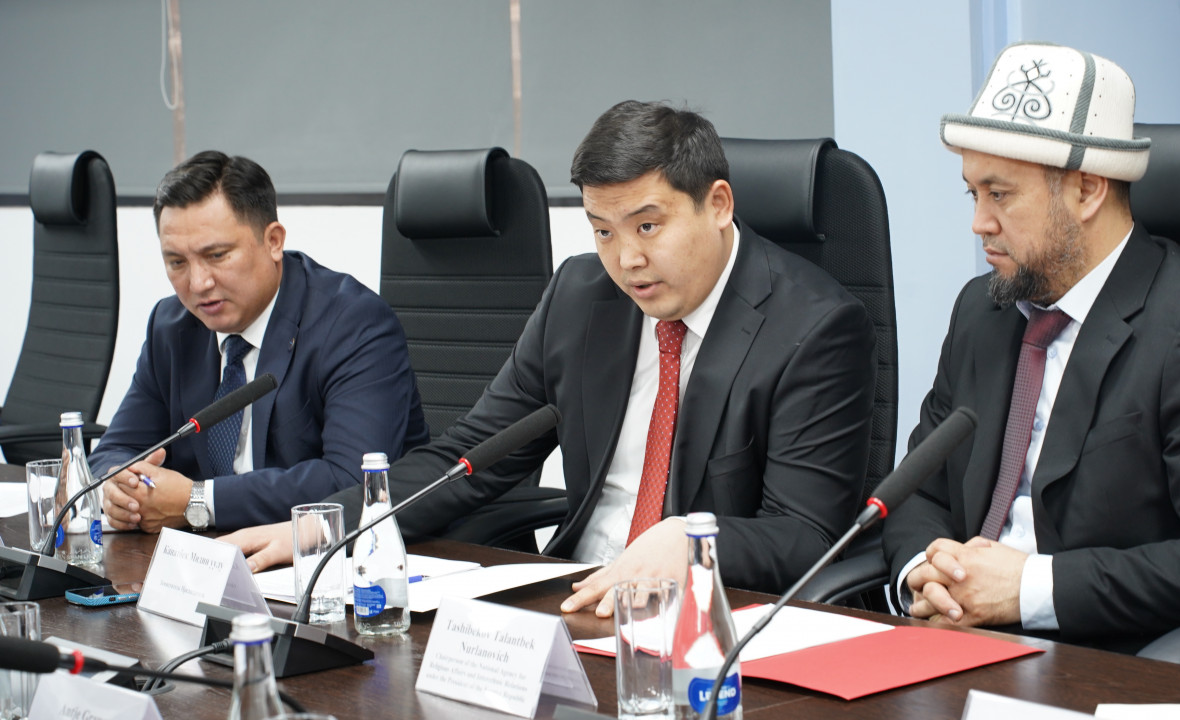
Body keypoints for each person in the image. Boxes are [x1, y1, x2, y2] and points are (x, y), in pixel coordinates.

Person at [224, 100, 877, 616]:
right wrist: (332, 526)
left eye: (648, 226)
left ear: (718, 205)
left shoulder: (814, 327)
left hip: (711, 616)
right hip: (574, 596)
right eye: (603, 231)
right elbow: (472, 455)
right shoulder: (581, 297)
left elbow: (805, 535)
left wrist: (692, 539)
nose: (627, 259)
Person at [882, 42, 1180, 650]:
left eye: (1000, 194)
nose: (979, 223)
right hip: (951, 641)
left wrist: (1028, 589)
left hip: (1101, 659)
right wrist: (924, 572)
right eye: (973, 194)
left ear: (1088, 191)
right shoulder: (981, 310)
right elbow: (917, 489)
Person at [91, 151, 429, 532]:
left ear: (273, 241)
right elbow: (113, 452)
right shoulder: (171, 327)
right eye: (177, 262)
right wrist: (120, 491)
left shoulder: (353, 324)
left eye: (216, 255)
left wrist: (198, 501)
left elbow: (353, 481)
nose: (198, 283)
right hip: (207, 555)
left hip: (328, 554)